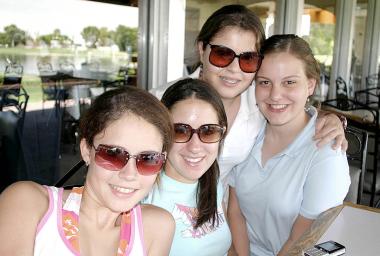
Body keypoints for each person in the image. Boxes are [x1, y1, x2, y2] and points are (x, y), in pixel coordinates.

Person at [150, 5, 347, 195]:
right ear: (202, 50)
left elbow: (291, 107)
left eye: (248, 59)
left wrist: (331, 118)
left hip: (217, 217)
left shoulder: (259, 101)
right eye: (222, 54)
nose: (234, 69)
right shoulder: (160, 101)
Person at [0, 87, 175, 255]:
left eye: (148, 159)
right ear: (86, 151)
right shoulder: (29, 204)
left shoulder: (155, 228)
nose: (129, 174)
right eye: (113, 154)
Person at [227, 34, 351, 256]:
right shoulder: (249, 131)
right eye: (265, 82)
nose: (275, 95)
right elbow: (235, 211)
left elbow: (303, 238)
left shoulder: (326, 153)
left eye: (289, 82)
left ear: (311, 85)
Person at [144, 78, 232, 255]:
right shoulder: (143, 195)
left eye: (208, 131)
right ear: (162, 133)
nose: (195, 147)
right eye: (180, 131)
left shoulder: (211, 179)